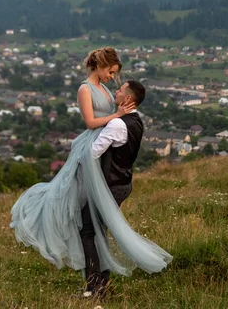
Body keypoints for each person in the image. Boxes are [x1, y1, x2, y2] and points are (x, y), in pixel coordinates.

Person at [10, 47, 172, 293]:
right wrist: (116, 115)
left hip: (102, 154)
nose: (113, 78)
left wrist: (116, 117)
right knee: (83, 217)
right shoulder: (85, 89)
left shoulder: (106, 91)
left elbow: (114, 127)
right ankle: (96, 280)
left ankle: (96, 282)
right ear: (101, 66)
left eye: (116, 75)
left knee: (91, 226)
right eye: (111, 72)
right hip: (92, 147)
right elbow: (89, 122)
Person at [80, 79, 150, 297]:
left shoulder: (118, 123)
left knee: (88, 231)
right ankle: (101, 284)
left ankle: (94, 287)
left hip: (109, 186)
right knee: (97, 232)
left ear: (127, 99)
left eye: (119, 90)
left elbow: (92, 151)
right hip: (123, 183)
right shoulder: (137, 121)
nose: (115, 92)